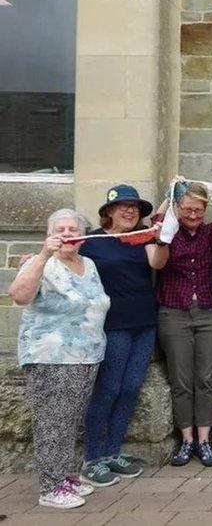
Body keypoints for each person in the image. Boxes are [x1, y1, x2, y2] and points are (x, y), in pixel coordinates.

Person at [9, 209, 111, 509]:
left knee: (70, 421)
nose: (67, 234)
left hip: (86, 356)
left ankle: (62, 474)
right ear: (50, 234)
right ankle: (50, 487)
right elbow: (19, 296)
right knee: (53, 422)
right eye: (61, 229)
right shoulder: (38, 263)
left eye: (73, 229)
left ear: (82, 236)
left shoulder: (88, 264)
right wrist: (41, 256)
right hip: (51, 357)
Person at [79, 185, 167, 487]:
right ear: (109, 212)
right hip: (112, 325)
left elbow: (158, 262)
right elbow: (62, 258)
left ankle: (112, 452)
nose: (130, 212)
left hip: (144, 323)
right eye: (123, 207)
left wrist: (161, 235)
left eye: (135, 208)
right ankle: (92, 458)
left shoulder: (140, 239)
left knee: (130, 389)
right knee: (109, 389)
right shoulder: (91, 241)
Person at [155, 182, 212, 467]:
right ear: (178, 208)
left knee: (207, 378)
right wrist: (170, 195)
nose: (193, 215)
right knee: (181, 380)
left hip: (209, 312)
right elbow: (157, 260)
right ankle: (186, 440)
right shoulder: (167, 231)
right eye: (188, 209)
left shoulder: (208, 231)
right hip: (174, 312)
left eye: (199, 210)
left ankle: (204, 440)